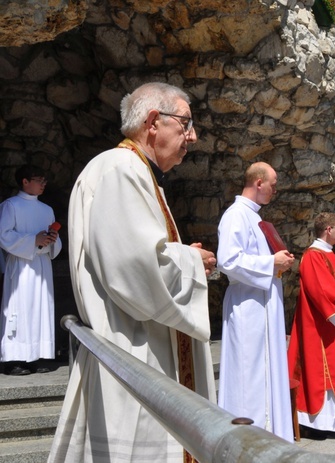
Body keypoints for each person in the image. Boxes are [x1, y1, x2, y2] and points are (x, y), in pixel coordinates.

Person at [49, 82, 217, 462]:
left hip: (143, 345)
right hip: (137, 350)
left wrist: (179, 255)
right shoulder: (121, 168)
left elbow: (136, 253)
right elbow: (135, 272)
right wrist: (192, 262)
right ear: (154, 122)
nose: (193, 136)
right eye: (186, 123)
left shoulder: (133, 170)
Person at [216, 162, 295, 441]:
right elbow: (228, 260)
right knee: (248, 373)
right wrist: (270, 262)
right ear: (258, 182)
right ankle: (248, 438)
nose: (275, 189)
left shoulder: (256, 218)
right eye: (273, 184)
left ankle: (270, 434)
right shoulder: (236, 215)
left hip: (263, 305)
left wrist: (278, 263)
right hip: (247, 307)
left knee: (266, 372)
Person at [287, 212, 335, 437]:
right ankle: (318, 424)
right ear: (328, 229)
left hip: (333, 323)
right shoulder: (313, 256)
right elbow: (321, 291)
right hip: (318, 325)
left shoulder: (329, 254)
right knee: (323, 373)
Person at [0, 165, 61, 376]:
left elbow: (54, 240)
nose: (43, 184)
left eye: (44, 180)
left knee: (40, 308)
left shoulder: (46, 210)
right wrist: (32, 240)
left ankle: (38, 355)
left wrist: (52, 241)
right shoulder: (10, 206)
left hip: (41, 266)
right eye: (39, 180)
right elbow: (3, 234)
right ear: (25, 181)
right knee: (19, 308)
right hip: (20, 265)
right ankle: (14, 359)